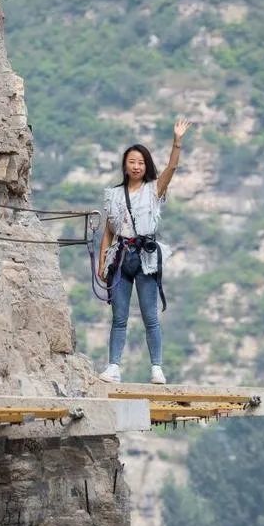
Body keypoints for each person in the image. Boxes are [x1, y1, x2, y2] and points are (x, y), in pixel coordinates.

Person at [97, 118, 192, 385]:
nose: (136, 166)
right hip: (120, 257)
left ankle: (156, 367)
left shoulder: (154, 190)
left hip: (146, 257)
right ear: (125, 165)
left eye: (141, 162)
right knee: (119, 317)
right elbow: (108, 231)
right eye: (132, 162)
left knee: (150, 316)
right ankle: (113, 367)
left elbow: (172, 167)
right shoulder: (114, 195)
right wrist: (102, 260)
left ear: (146, 165)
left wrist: (177, 141)